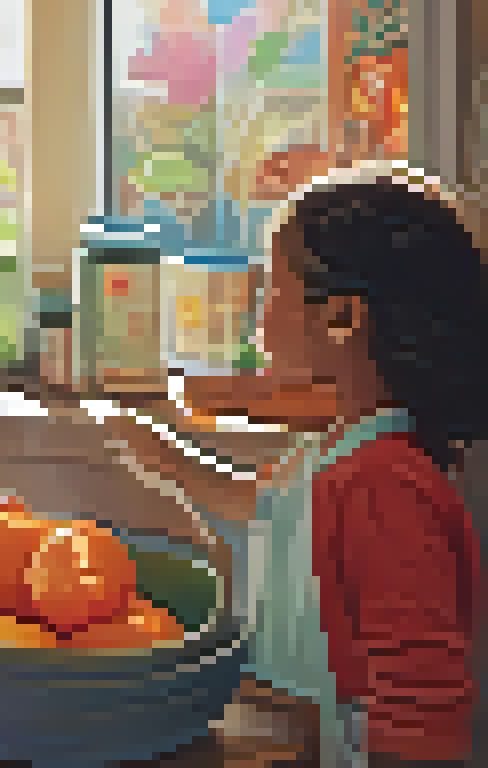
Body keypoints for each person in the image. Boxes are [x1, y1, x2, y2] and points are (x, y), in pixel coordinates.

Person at [72, 164, 480, 768]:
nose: (257, 318)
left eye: (272, 293)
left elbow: (422, 714)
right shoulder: (332, 447)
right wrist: (166, 457)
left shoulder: (387, 487)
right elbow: (271, 510)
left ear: (341, 317)